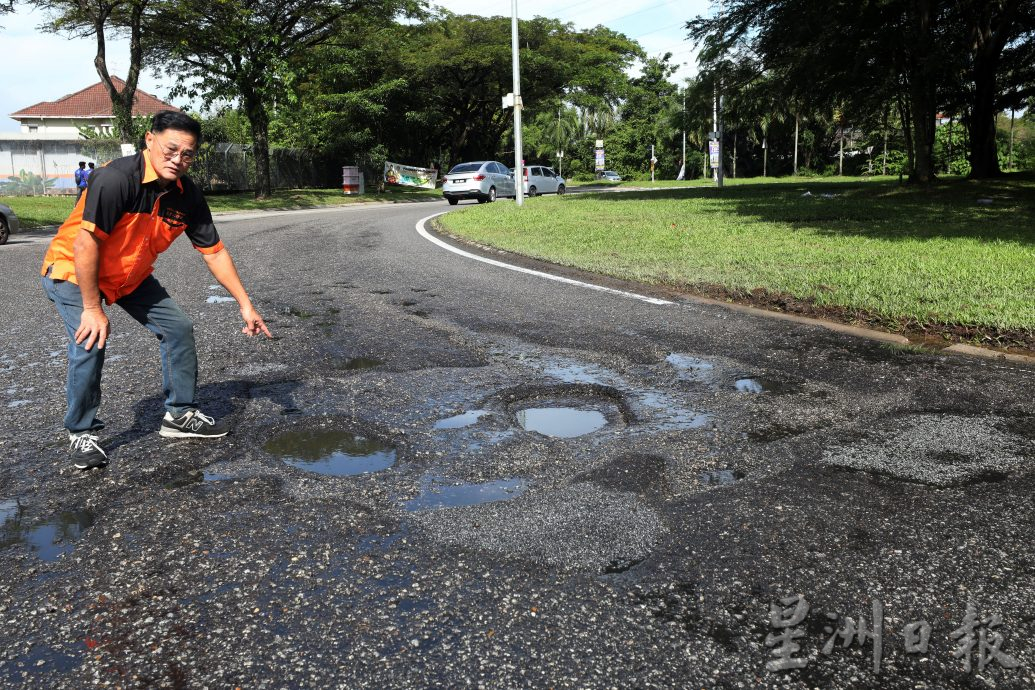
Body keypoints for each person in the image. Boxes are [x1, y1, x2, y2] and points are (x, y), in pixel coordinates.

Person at [41, 111, 272, 470]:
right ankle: (81, 432)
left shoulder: (187, 195)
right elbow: (86, 246)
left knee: (178, 327)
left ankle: (179, 415)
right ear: (149, 140)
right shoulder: (115, 179)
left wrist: (245, 304)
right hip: (74, 270)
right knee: (91, 338)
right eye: (170, 149)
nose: (178, 160)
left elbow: (215, 251)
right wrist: (92, 307)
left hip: (128, 276)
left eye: (188, 154)